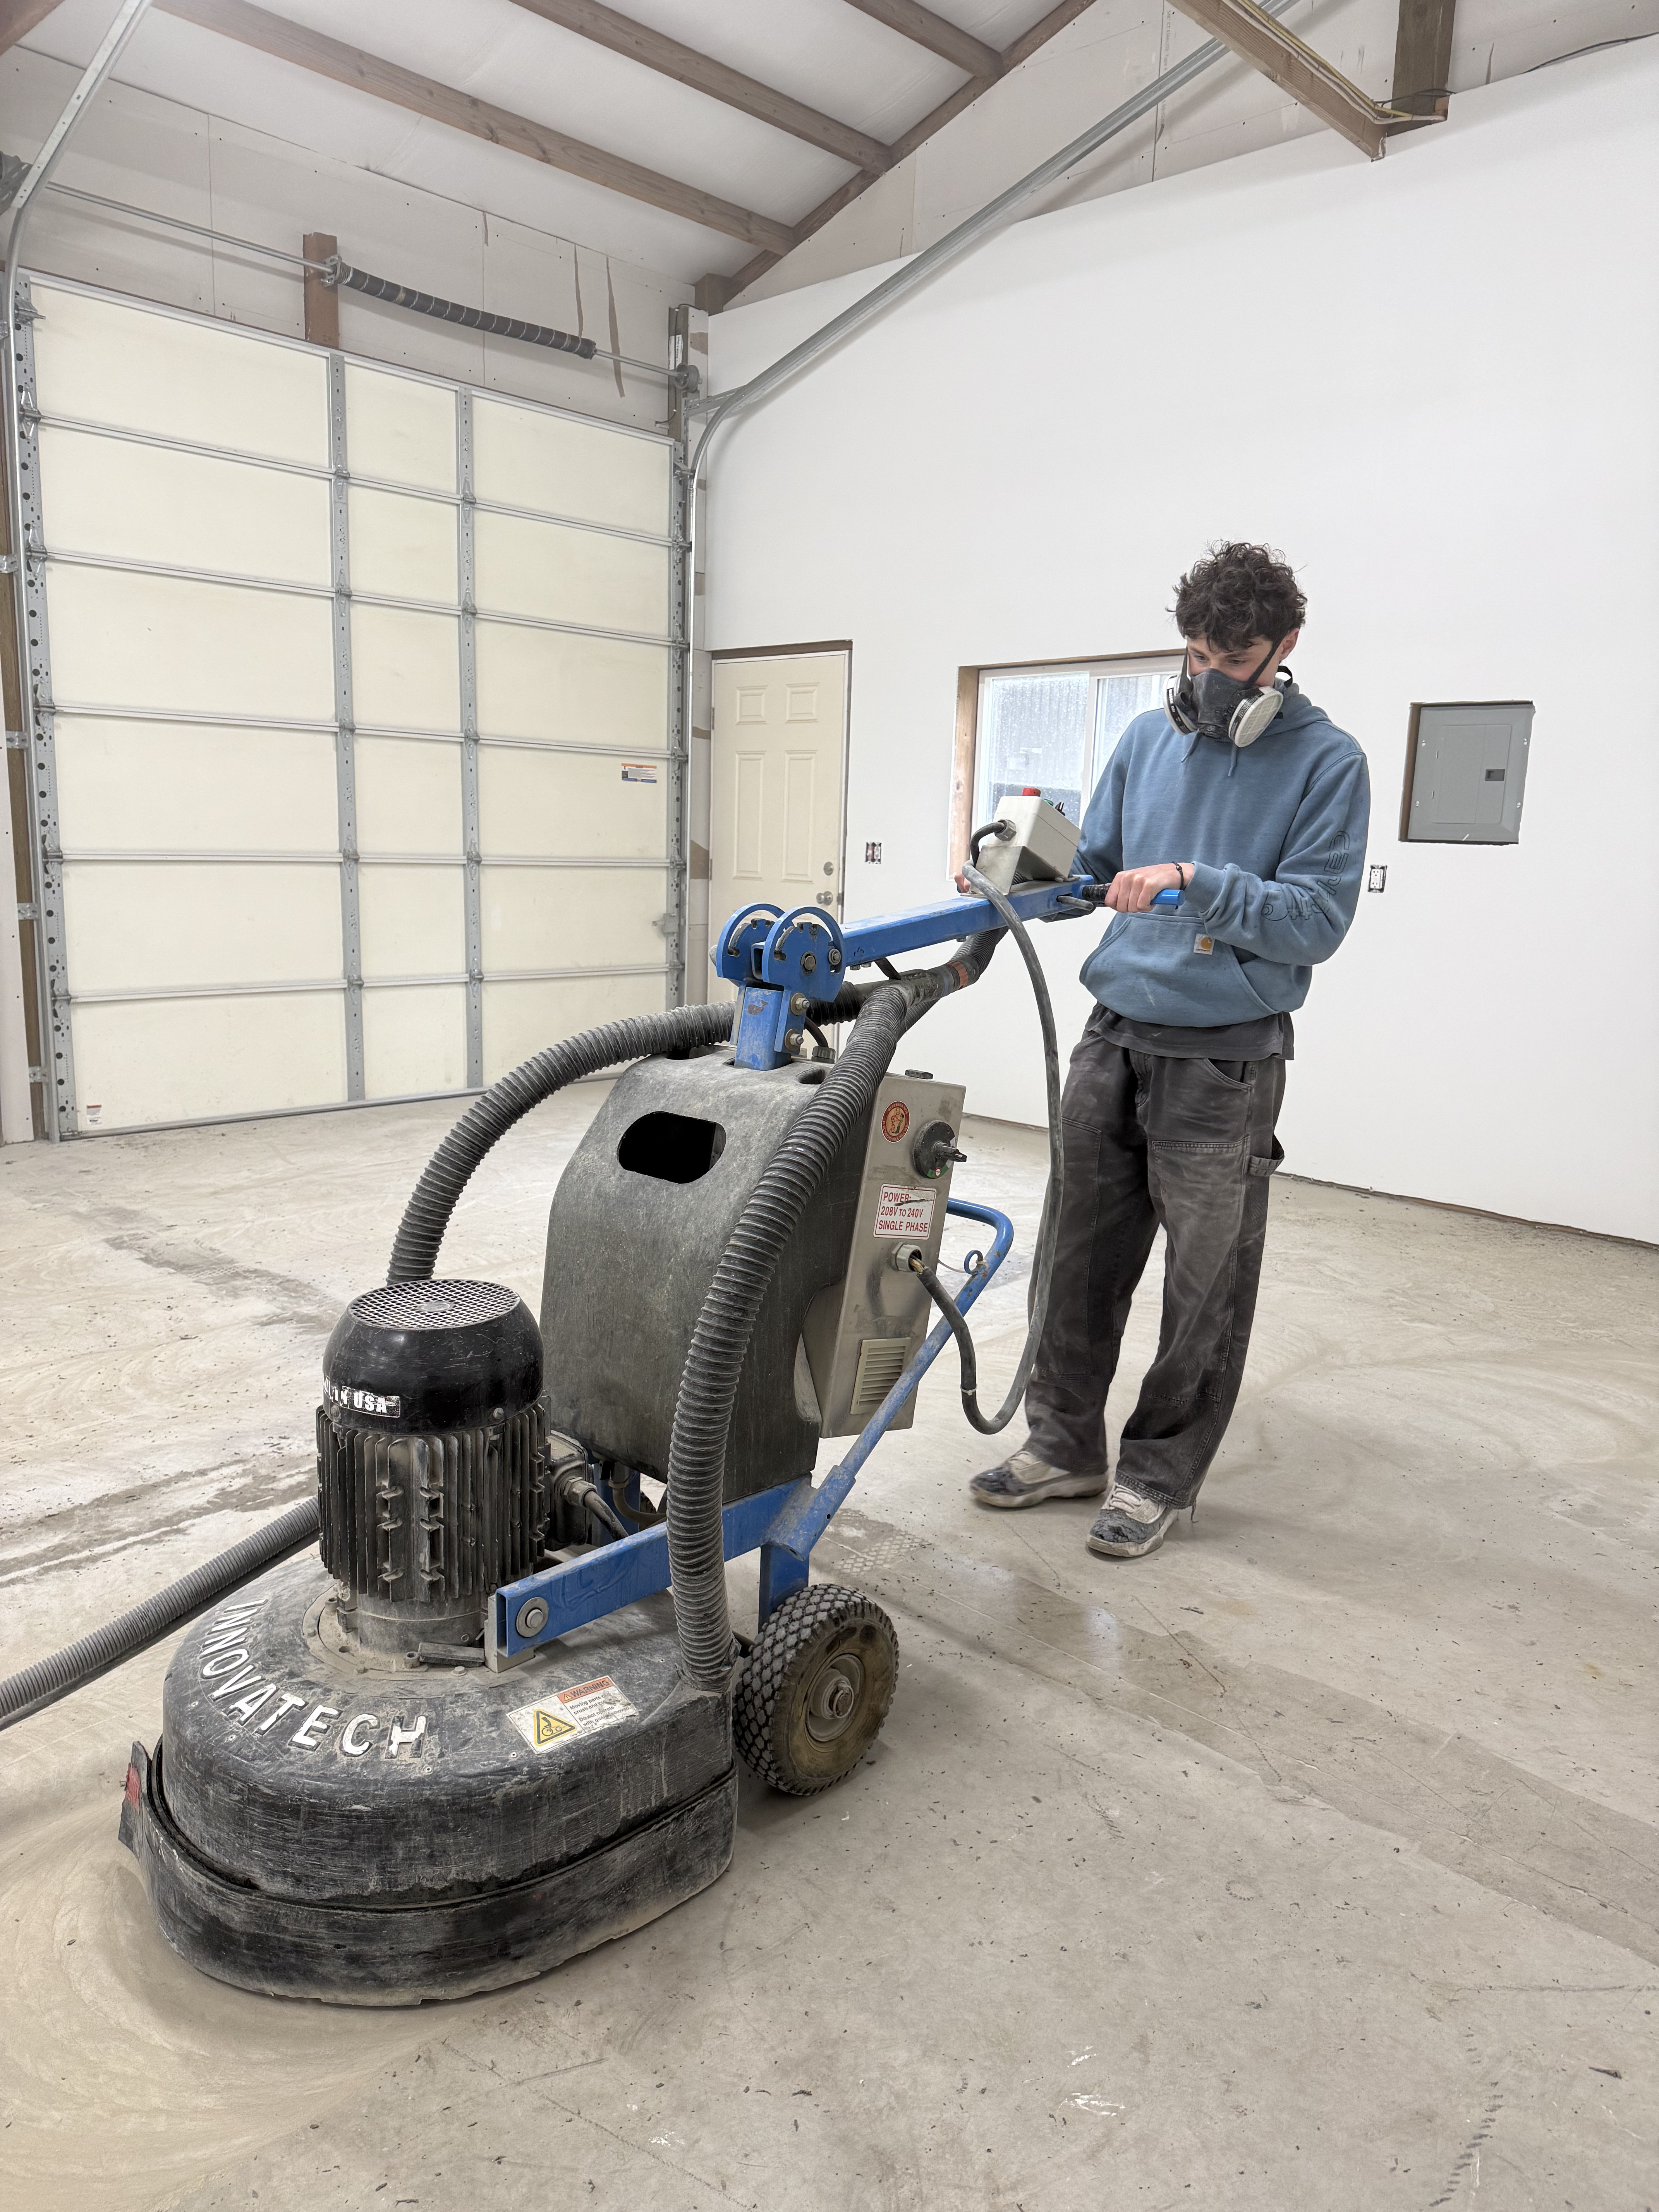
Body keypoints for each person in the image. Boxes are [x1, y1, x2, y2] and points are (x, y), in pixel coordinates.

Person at [970, 542, 1371, 1557]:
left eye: (1232, 660)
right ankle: (1063, 1448)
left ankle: (1156, 1477)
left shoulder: (1328, 763)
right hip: (1111, 1038)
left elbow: (1313, 923)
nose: (1206, 678)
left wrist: (1196, 878)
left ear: (1283, 649)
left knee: (1204, 1288)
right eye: (1194, 653)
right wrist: (1012, 862)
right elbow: (1094, 868)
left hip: (1222, 1062)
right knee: (1073, 1261)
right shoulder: (1147, 741)